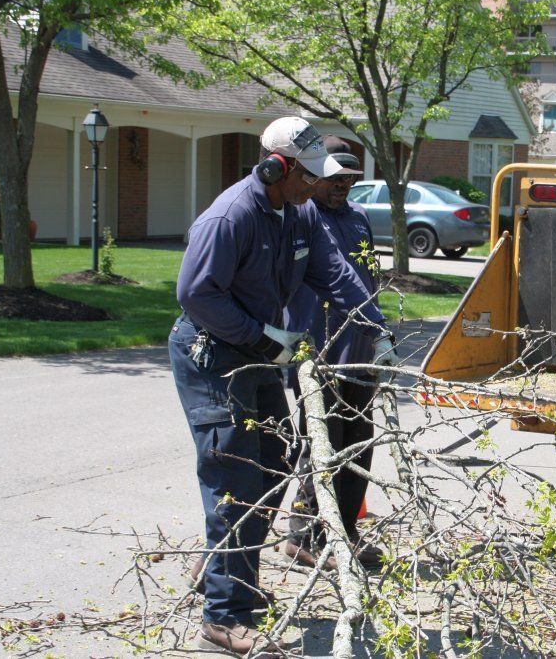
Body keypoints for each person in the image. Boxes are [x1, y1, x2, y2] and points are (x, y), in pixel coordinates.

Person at [169, 117, 395, 656]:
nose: (317, 185)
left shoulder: (298, 215)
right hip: (213, 355)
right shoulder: (232, 217)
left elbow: (334, 273)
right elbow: (197, 295)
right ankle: (224, 616)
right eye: (308, 175)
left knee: (273, 460)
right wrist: (260, 337)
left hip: (258, 354)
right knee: (236, 473)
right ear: (278, 166)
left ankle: (225, 567)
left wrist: (374, 325)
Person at [283, 136, 384, 568]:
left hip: (359, 351)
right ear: (315, 177)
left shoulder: (359, 217)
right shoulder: (302, 217)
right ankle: (304, 535)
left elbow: (368, 279)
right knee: (321, 446)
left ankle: (344, 532)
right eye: (334, 177)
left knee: (358, 446)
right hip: (317, 352)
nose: (342, 184)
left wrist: (379, 335)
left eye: (350, 177)